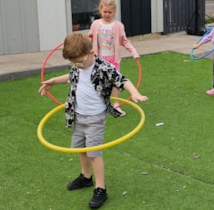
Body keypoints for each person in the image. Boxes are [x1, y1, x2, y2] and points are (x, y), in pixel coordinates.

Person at [38, 33, 148, 209]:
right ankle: (86, 177)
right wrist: (53, 81)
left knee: (93, 154)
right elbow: (71, 77)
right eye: (73, 63)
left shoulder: (103, 67)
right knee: (81, 149)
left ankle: (100, 188)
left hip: (95, 118)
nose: (76, 66)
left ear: (91, 53)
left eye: (79, 62)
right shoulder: (78, 66)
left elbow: (122, 80)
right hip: (78, 115)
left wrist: (134, 92)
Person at [89, 0, 140, 116]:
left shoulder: (118, 25)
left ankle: (116, 105)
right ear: (100, 11)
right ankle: (100, 105)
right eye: (105, 11)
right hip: (99, 59)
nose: (107, 14)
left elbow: (124, 41)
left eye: (109, 12)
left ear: (114, 12)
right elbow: (89, 38)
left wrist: (134, 52)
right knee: (99, 82)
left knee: (115, 83)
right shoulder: (96, 24)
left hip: (113, 60)